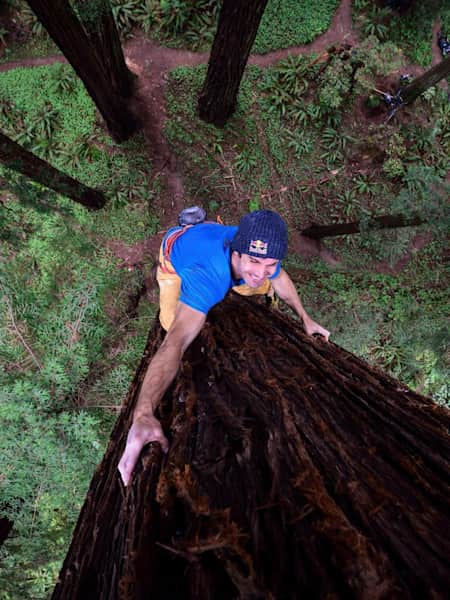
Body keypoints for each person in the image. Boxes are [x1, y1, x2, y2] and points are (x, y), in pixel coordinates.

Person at [118, 210, 330, 485]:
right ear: (238, 253)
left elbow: (279, 277)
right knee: (171, 323)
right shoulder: (208, 279)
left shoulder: (257, 251)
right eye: (254, 261)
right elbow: (175, 344)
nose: (261, 270)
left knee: (259, 284)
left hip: (212, 242)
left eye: (270, 263)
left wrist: (305, 318)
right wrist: (143, 413)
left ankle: (199, 226)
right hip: (176, 255)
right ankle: (188, 229)